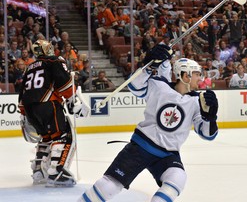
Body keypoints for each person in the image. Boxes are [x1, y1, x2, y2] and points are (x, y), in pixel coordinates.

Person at [78, 44, 219, 202]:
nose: (200, 78)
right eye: (196, 74)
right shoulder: (159, 86)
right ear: (185, 76)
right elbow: (135, 86)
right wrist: (148, 64)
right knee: (109, 186)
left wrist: (210, 117)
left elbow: (208, 135)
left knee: (178, 178)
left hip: (167, 154)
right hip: (140, 147)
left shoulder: (197, 101)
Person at [18, 39, 90, 187]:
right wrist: (72, 100)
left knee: (46, 137)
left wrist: (24, 112)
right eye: (49, 47)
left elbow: (22, 93)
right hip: (48, 104)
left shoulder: (29, 67)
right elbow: (64, 82)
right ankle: (56, 173)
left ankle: (38, 170)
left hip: (30, 108)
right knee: (62, 135)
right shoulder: (54, 60)